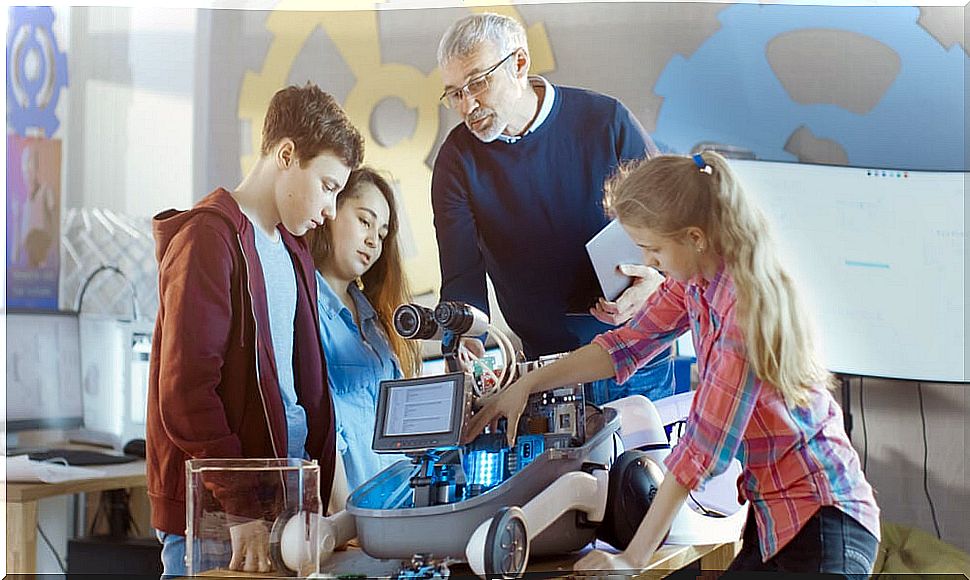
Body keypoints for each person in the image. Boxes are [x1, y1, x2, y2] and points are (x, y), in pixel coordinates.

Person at [465, 152, 880, 575]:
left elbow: (701, 450)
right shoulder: (696, 284)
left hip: (822, 517)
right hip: (775, 514)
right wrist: (527, 384)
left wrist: (632, 558)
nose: (648, 262)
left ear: (695, 237)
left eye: (654, 248)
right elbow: (624, 346)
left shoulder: (743, 311)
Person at [146, 83, 364, 577]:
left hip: (279, 509)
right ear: (287, 155)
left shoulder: (293, 249)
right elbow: (185, 394)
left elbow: (300, 392)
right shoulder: (208, 238)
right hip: (221, 516)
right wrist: (239, 508)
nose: (331, 210)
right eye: (328, 186)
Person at [432, 13, 673, 405]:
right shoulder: (456, 162)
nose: (467, 105)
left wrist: (656, 282)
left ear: (520, 63)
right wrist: (463, 337)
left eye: (478, 82)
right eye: (455, 93)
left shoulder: (606, 121)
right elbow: (461, 275)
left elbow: (675, 227)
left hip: (636, 355)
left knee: (644, 467)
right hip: (546, 368)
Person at [305, 167, 421, 508]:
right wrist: (347, 528)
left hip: (400, 514)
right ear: (330, 211)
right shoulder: (305, 307)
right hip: (354, 523)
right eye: (365, 221)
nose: (374, 241)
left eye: (382, 233)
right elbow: (321, 431)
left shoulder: (376, 324)